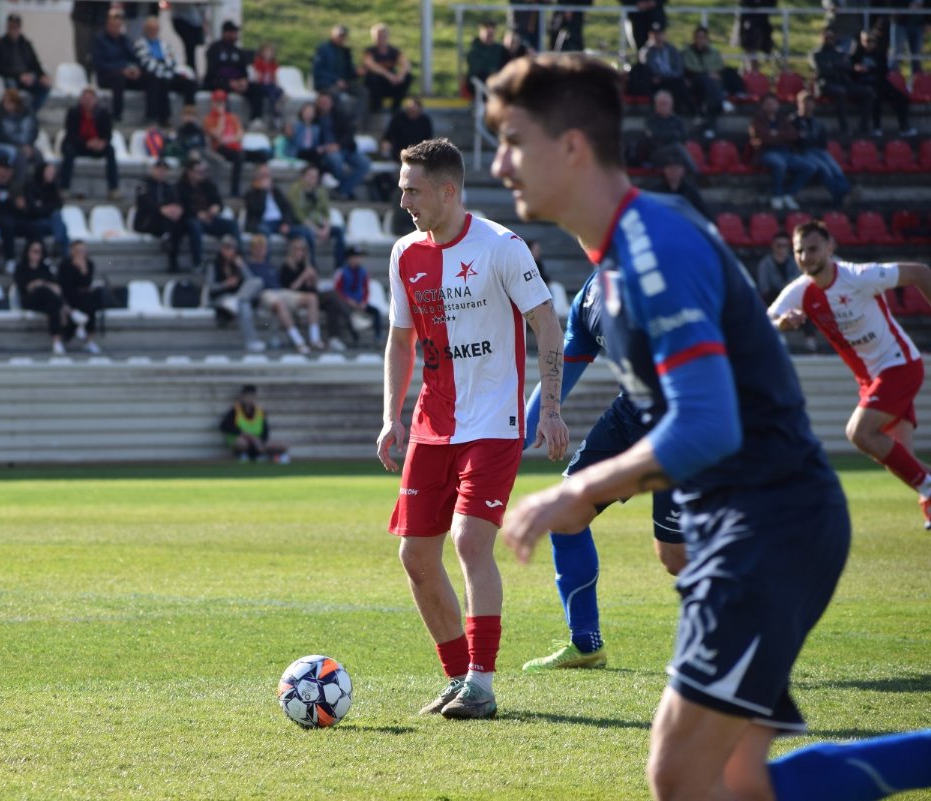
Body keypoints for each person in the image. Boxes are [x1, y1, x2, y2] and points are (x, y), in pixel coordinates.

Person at [488, 51, 931, 801]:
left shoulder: (653, 251)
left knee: (683, 778)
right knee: (729, 783)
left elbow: (708, 425)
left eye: (512, 141)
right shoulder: (623, 255)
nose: (499, 164)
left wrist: (577, 490)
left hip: (767, 522)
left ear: (571, 146)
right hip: (749, 522)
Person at [376, 137, 567, 721]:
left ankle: (482, 683)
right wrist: (391, 415)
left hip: (492, 422)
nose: (404, 201)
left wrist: (550, 408)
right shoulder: (404, 253)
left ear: (448, 190)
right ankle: (458, 677)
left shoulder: (501, 247)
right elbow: (401, 340)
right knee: (415, 555)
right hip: (432, 424)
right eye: (402, 189)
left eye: (413, 190)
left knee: (468, 541)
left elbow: (546, 323)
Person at [520, 267, 687, 672]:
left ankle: (751, 631)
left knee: (675, 557)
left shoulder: (664, 276)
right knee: (565, 514)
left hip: (684, 422)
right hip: (631, 415)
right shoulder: (590, 295)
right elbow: (568, 362)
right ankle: (585, 644)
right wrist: (518, 435)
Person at [770, 220, 931, 528]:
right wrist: (782, 323)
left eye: (813, 249)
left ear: (830, 248)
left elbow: (920, 272)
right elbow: (765, 320)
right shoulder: (800, 291)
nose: (805, 257)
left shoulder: (858, 276)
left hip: (900, 365)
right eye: (799, 251)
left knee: (859, 433)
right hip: (872, 379)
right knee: (900, 459)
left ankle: (929, 489)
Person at [244, 232, 320, 354]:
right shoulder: (248, 267)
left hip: (280, 291)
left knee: (312, 298)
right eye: (257, 248)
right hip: (264, 294)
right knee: (279, 304)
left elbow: (284, 286)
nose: (260, 251)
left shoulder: (270, 266)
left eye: (262, 248)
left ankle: (315, 339)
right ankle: (298, 341)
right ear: (252, 249)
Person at [279, 235, 349, 350]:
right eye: (297, 250)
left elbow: (313, 288)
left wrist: (313, 279)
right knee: (321, 297)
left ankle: (334, 338)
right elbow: (290, 289)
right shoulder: (286, 267)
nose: (300, 253)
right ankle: (315, 338)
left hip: (312, 295)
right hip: (297, 297)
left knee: (332, 303)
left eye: (302, 250)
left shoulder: (307, 265)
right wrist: (303, 277)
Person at [749, 92, 816, 211]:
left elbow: (794, 135)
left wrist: (776, 134)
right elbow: (764, 138)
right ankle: (777, 195)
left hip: (786, 152)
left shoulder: (783, 119)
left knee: (809, 167)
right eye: (768, 104)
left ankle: (789, 194)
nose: (771, 106)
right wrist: (782, 136)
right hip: (766, 152)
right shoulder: (757, 121)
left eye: (773, 103)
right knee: (779, 164)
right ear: (763, 105)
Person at [850, 29, 917, 136]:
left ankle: (904, 126)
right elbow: (851, 74)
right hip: (865, 84)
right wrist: (856, 69)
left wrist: (869, 70)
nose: (870, 44)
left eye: (873, 41)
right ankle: (876, 127)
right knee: (875, 97)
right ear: (862, 41)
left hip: (880, 83)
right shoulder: (855, 56)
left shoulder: (879, 54)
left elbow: (883, 71)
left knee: (901, 98)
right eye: (867, 41)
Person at [178, 158, 241, 272]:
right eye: (198, 171)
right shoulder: (181, 186)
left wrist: (216, 207)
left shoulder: (208, 185)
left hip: (210, 219)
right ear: (189, 172)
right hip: (190, 220)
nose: (201, 174)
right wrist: (197, 214)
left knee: (232, 224)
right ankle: (197, 262)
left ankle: (237, 258)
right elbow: (181, 207)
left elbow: (219, 202)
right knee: (194, 225)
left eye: (203, 171)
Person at [206, 233, 265, 353]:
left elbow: (250, 280)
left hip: (236, 297)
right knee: (244, 305)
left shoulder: (237, 262)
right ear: (221, 249)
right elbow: (210, 287)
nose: (228, 251)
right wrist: (226, 284)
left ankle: (238, 299)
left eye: (231, 248)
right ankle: (251, 341)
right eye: (226, 248)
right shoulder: (213, 264)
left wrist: (242, 267)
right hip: (221, 297)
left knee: (257, 282)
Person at [792, 89, 852, 207]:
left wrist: (807, 138)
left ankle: (846, 192)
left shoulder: (817, 123)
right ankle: (840, 196)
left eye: (810, 103)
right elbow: (797, 141)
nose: (808, 106)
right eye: (805, 103)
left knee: (835, 168)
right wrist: (805, 139)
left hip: (819, 150)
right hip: (803, 152)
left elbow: (821, 141)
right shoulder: (794, 121)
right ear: (799, 104)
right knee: (825, 169)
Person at [133, 15, 196, 126]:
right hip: (152, 76)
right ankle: (162, 117)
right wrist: (163, 66)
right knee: (160, 81)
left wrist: (163, 66)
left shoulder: (164, 44)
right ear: (146, 30)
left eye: (155, 29)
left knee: (189, 83)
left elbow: (172, 61)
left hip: (167, 74)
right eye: (150, 29)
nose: (153, 32)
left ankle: (189, 116)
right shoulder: (140, 44)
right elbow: (147, 64)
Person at [60, 86, 120, 201]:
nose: (88, 101)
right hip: (78, 145)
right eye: (85, 98)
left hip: (96, 146)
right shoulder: (73, 112)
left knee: (110, 150)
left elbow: (108, 134)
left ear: (95, 100)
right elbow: (70, 134)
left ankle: (113, 189)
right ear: (81, 99)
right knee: (68, 150)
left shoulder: (103, 113)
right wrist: (86, 143)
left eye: (90, 99)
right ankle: (64, 188)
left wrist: (102, 142)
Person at [244, 164, 314, 262]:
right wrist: (263, 192)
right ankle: (267, 264)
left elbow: (287, 209)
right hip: (262, 223)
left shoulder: (276, 192)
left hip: (279, 222)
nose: (266, 178)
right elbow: (256, 211)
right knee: (264, 232)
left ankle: (311, 264)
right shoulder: (251, 193)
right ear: (257, 177)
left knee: (306, 232)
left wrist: (286, 223)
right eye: (263, 175)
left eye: (267, 175)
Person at [811, 25, 874, 135]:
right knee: (841, 92)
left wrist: (835, 66)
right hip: (826, 84)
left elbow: (848, 68)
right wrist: (839, 67)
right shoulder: (816, 54)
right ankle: (844, 128)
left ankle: (864, 127)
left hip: (842, 82)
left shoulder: (840, 53)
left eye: (831, 37)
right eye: (827, 37)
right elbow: (823, 71)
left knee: (868, 92)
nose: (829, 40)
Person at [14, 239, 72, 356]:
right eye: (34, 251)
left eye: (39, 251)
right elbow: (24, 287)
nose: (37, 254)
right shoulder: (21, 268)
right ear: (28, 252)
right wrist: (40, 285)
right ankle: (67, 309)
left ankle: (56, 341)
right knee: (43, 291)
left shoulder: (44, 268)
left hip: (47, 301)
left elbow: (55, 285)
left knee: (53, 306)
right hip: (29, 300)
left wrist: (41, 284)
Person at [204, 20, 264, 124]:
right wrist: (229, 82)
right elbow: (211, 72)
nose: (235, 35)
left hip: (237, 83)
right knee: (220, 90)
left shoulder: (238, 52)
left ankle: (255, 119)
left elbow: (243, 71)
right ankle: (225, 120)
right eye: (233, 32)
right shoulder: (215, 49)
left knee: (257, 89)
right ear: (226, 33)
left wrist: (243, 81)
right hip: (219, 82)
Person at [287, 163, 346, 269]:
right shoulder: (295, 190)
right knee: (308, 233)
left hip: (318, 225)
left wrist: (326, 228)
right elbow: (299, 215)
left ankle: (339, 266)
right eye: (310, 176)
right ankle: (313, 266)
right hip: (300, 225)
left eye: (315, 177)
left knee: (340, 230)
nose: (312, 179)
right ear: (303, 176)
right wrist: (317, 231)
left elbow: (326, 212)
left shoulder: (320, 191)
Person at [314, 92, 371, 201]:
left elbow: (349, 133)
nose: (324, 104)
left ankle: (342, 190)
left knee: (364, 163)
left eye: (326, 102)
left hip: (345, 148)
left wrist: (338, 145)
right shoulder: (314, 117)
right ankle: (344, 190)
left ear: (331, 103)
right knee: (336, 160)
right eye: (321, 102)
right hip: (325, 150)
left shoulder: (340, 114)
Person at [91, 7, 143, 123]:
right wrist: (121, 70)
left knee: (150, 77)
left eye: (118, 26)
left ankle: (153, 115)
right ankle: (117, 114)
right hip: (107, 76)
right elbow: (99, 63)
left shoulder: (124, 40)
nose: (116, 29)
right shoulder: (99, 40)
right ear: (107, 26)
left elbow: (134, 57)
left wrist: (136, 69)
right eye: (113, 26)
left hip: (126, 74)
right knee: (118, 78)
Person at [133, 159, 186, 273]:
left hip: (166, 221)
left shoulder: (169, 187)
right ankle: (167, 239)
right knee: (167, 221)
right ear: (153, 169)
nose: (162, 172)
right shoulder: (143, 185)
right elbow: (145, 203)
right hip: (146, 221)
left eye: (164, 170)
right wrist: (161, 210)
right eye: (159, 169)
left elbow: (176, 202)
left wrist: (177, 209)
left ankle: (169, 246)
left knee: (179, 222)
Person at [0, 13, 51, 112]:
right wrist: (19, 76)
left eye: (16, 27)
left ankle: (31, 112)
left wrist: (42, 75)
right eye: (11, 26)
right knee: (11, 86)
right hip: (10, 77)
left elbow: (35, 63)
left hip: (27, 77)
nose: (14, 29)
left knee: (45, 86)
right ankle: (15, 112)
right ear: (7, 27)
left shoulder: (26, 44)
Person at [219, 384, 290, 463]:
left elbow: (265, 431)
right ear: (242, 397)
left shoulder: (260, 411)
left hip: (257, 442)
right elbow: (223, 426)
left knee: (282, 445)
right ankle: (242, 455)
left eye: (252, 396)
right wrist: (243, 433)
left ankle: (268, 456)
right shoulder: (235, 410)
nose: (249, 399)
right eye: (247, 396)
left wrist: (261, 442)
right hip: (242, 441)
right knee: (241, 443)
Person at [681, 26, 727, 139]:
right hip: (694, 82)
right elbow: (690, 68)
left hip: (711, 85)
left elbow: (719, 67)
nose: (700, 40)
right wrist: (707, 73)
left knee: (711, 88)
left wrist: (710, 74)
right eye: (698, 37)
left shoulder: (714, 52)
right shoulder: (687, 52)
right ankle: (722, 102)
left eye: (703, 37)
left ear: (707, 39)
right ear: (694, 38)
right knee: (707, 80)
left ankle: (708, 125)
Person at [312, 24, 367, 117]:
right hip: (326, 84)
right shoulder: (323, 49)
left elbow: (349, 72)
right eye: (339, 36)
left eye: (343, 36)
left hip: (344, 84)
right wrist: (336, 80)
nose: (341, 38)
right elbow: (318, 71)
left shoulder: (345, 52)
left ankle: (356, 121)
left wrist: (357, 73)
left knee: (363, 92)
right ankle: (339, 122)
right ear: (332, 35)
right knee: (336, 97)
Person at [58, 240, 102, 354]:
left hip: (83, 296)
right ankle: (80, 328)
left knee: (91, 303)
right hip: (68, 296)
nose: (80, 253)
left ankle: (87, 337)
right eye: (78, 251)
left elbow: (87, 283)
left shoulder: (88, 264)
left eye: (83, 251)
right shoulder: (65, 264)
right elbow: (65, 285)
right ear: (72, 251)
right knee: (87, 302)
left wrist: (83, 270)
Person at [639, 23, 692, 117]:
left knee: (679, 83)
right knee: (675, 84)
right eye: (655, 34)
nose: (658, 37)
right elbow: (648, 67)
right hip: (657, 81)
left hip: (673, 78)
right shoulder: (646, 51)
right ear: (650, 35)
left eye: (660, 34)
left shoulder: (672, 49)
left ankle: (688, 112)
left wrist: (672, 76)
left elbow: (678, 67)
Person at [334, 245, 382, 345]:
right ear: (349, 259)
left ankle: (378, 338)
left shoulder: (363, 272)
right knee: (347, 314)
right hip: (347, 303)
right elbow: (338, 290)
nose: (358, 259)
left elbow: (366, 289)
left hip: (359, 303)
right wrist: (348, 301)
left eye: (359, 257)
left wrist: (364, 302)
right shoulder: (342, 272)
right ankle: (355, 339)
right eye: (355, 257)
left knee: (376, 312)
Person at [362, 23, 412, 115]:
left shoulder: (393, 51)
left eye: (383, 36)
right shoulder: (370, 51)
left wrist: (400, 76)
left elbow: (406, 64)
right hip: (377, 86)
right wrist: (388, 75)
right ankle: (377, 106)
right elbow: (371, 65)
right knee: (372, 78)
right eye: (378, 36)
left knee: (408, 77)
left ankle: (396, 106)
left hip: (391, 83)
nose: (381, 38)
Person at [642, 89, 697, 172]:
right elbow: (654, 138)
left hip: (675, 153)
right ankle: (697, 173)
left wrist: (668, 136)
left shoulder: (677, 120)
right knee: (677, 147)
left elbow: (684, 137)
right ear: (656, 105)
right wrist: (674, 135)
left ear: (671, 105)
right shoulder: (651, 120)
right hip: (657, 153)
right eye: (661, 104)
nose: (664, 106)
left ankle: (687, 177)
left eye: (666, 104)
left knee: (676, 160)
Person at [203, 89, 245, 198]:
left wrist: (228, 139)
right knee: (238, 156)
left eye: (221, 102)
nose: (220, 105)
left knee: (243, 155)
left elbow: (240, 134)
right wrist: (221, 118)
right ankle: (233, 191)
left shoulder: (233, 117)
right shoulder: (209, 119)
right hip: (219, 148)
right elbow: (217, 134)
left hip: (233, 147)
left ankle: (235, 190)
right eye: (217, 102)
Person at [652, 150, 712, 221]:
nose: (673, 171)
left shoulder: (691, 192)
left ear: (683, 171)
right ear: (664, 170)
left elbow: (704, 213)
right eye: (670, 168)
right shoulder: (656, 191)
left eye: (676, 168)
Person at [0, 87, 38, 178]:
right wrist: (20, 146)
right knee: (21, 156)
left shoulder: (28, 114)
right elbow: (0, 135)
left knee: (37, 154)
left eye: (10, 102)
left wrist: (29, 145)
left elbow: (34, 131)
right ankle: (18, 184)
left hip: (27, 145)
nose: (6, 104)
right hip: (8, 145)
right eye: (5, 101)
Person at [380, 97, 434, 163]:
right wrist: (386, 144)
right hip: (399, 155)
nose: (412, 112)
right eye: (411, 110)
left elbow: (428, 139)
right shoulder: (398, 119)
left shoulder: (425, 121)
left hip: (419, 156)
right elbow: (388, 136)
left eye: (415, 111)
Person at [754, 230, 800, 306]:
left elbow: (798, 283)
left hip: (793, 301)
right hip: (772, 302)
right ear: (773, 246)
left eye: (785, 246)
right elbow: (764, 289)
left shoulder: (795, 262)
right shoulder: (765, 264)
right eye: (779, 246)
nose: (782, 249)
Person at [70, 0, 109, 71]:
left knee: (100, 54)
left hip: (101, 16)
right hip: (82, 16)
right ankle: (82, 75)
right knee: (82, 55)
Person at [467, 20, 507, 89]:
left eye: (491, 35)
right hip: (478, 82)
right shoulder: (474, 50)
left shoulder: (499, 49)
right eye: (487, 34)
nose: (488, 37)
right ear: (480, 33)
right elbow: (476, 70)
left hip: (497, 81)